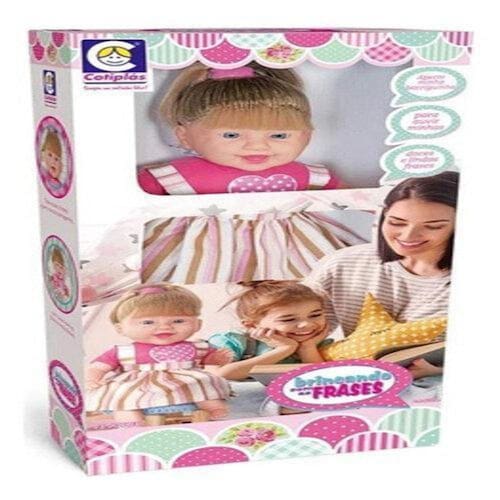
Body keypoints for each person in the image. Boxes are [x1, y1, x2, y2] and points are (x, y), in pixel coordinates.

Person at [304, 171, 459, 379]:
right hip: (357, 382)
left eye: (433, 226)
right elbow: (302, 325)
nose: (408, 235)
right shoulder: (345, 262)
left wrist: (440, 372)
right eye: (397, 222)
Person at [138, 62, 344, 195]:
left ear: (307, 135)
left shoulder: (310, 176)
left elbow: (354, 200)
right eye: (232, 134)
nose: (257, 146)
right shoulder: (171, 177)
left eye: (279, 135)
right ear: (184, 136)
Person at [86, 284, 233, 426]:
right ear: (120, 328)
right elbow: (98, 367)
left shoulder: (198, 346)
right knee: (122, 397)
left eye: (178, 321)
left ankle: (214, 409)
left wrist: (215, 359)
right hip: (137, 384)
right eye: (148, 322)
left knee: (202, 382)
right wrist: (92, 378)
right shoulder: (122, 351)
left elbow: (209, 362)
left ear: (197, 324)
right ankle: (130, 423)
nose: (164, 327)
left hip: (184, 381)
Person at [210, 281, 330, 381]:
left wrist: (307, 349)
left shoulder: (319, 346)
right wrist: (284, 349)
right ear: (251, 324)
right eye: (288, 319)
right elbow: (219, 375)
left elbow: (325, 380)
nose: (306, 324)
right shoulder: (230, 341)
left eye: (315, 315)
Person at [40, 129, 65, 196]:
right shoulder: (42, 169)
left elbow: (56, 183)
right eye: (50, 155)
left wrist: (56, 174)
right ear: (43, 153)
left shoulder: (56, 182)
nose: (53, 161)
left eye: (56, 159)